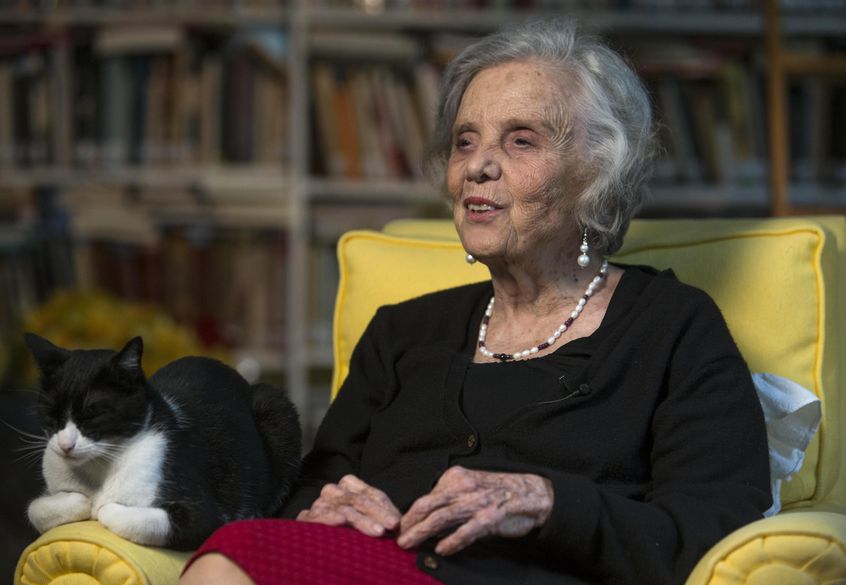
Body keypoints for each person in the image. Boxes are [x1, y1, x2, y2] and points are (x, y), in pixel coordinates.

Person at [180, 18, 771, 585]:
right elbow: (314, 488)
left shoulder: (673, 327)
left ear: (598, 172)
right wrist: (325, 506)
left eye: (521, 140)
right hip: (368, 569)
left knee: (230, 563)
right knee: (236, 552)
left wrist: (548, 502)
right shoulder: (402, 333)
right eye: (465, 142)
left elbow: (716, 529)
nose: (478, 167)